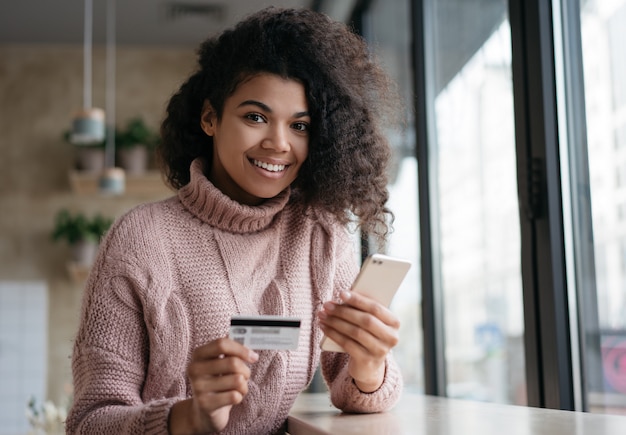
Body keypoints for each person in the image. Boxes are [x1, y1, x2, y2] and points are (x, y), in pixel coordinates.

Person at [66, 6, 403, 435]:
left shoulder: (320, 233)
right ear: (210, 118)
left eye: (299, 125)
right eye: (255, 117)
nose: (278, 144)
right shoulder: (140, 238)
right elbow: (89, 422)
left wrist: (370, 364)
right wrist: (188, 417)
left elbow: (351, 386)